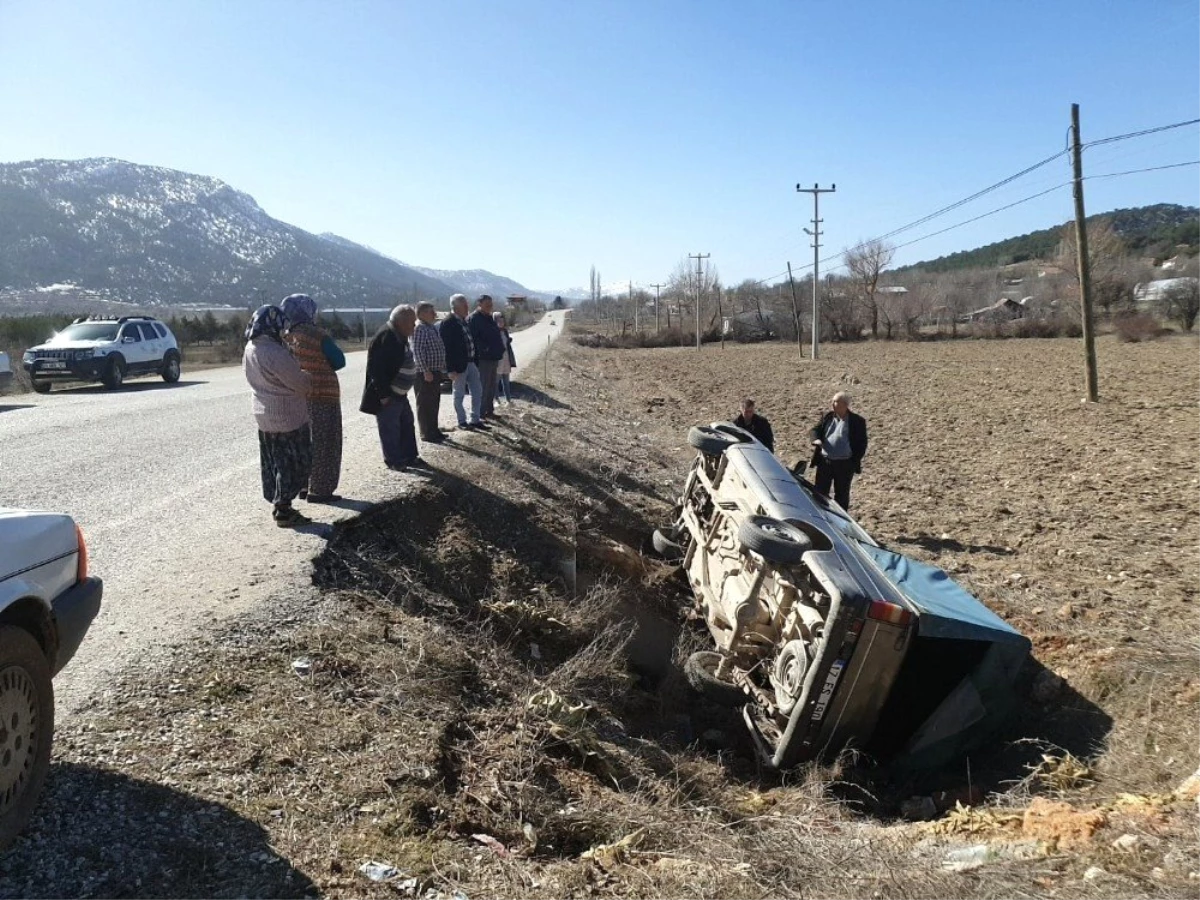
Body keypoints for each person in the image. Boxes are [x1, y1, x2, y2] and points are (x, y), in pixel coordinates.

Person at [242, 305, 312, 527]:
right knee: (293, 462)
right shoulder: (274, 353)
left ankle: (279, 502)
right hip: (286, 414)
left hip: (264, 413)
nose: (284, 331)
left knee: (274, 461)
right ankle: (284, 508)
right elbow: (299, 384)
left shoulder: (251, 348)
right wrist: (307, 376)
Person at [281, 293, 345, 503]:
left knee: (304, 442)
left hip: (298, 396)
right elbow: (338, 360)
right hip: (322, 395)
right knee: (325, 442)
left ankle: (303, 486)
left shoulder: (286, 336)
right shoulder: (317, 334)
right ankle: (321, 489)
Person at [360, 304, 425, 470]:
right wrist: (384, 395)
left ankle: (410, 456)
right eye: (412, 322)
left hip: (400, 394)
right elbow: (376, 369)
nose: (414, 326)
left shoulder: (399, 335)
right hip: (388, 395)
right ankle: (394, 460)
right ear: (402, 322)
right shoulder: (386, 336)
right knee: (390, 428)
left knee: (406, 424)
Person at [809, 391, 868, 510]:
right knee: (820, 493)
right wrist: (816, 440)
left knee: (841, 496)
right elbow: (815, 430)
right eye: (833, 401)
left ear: (845, 405)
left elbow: (862, 444)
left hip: (844, 465)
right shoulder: (828, 416)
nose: (833, 404)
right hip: (825, 462)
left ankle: (840, 521)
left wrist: (852, 462)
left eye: (836, 402)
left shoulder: (857, 421)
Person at [439, 294, 486, 430]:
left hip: (471, 363)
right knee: (459, 394)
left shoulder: (464, 321)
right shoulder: (448, 323)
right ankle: (462, 421)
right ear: (456, 306)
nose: (467, 307)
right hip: (458, 366)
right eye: (464, 305)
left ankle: (475, 419)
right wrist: (450, 369)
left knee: (477, 391)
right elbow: (445, 348)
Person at [412, 301, 450, 443]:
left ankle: (434, 430)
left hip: (435, 371)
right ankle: (427, 433)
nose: (434, 314)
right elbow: (418, 351)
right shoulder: (419, 328)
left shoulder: (431, 327)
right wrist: (425, 370)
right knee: (425, 403)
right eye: (431, 312)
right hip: (424, 373)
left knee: (434, 402)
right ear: (421, 313)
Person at [469, 295, 505, 419]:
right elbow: (474, 339)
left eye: (491, 303)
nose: (490, 306)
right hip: (483, 358)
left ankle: (489, 411)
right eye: (487, 303)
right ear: (480, 304)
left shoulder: (489, 317)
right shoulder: (474, 318)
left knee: (491, 386)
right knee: (483, 387)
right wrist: (485, 349)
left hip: (493, 357)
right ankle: (480, 414)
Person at [493, 310, 517, 405]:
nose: (501, 322)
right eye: (499, 320)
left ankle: (508, 400)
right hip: (498, 360)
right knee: (496, 382)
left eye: (502, 321)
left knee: (506, 381)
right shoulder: (494, 332)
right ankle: (496, 400)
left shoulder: (505, 331)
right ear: (495, 321)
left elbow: (506, 344)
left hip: (506, 358)